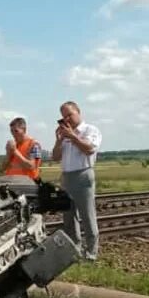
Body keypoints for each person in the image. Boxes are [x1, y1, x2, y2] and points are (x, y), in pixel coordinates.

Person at [52, 101, 102, 261]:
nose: (67, 119)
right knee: (69, 216)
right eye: (64, 116)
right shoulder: (65, 135)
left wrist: (73, 136)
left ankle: (91, 253)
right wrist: (59, 140)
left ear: (78, 112)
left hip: (83, 174)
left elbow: (89, 149)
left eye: (70, 115)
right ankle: (75, 250)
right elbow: (55, 157)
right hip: (67, 177)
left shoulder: (90, 130)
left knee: (87, 215)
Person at [2, 117, 42, 182]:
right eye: (11, 131)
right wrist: (8, 153)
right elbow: (3, 167)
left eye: (16, 131)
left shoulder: (33, 144)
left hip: (27, 184)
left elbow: (31, 166)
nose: (13, 134)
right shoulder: (13, 145)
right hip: (12, 183)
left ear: (24, 130)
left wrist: (15, 151)